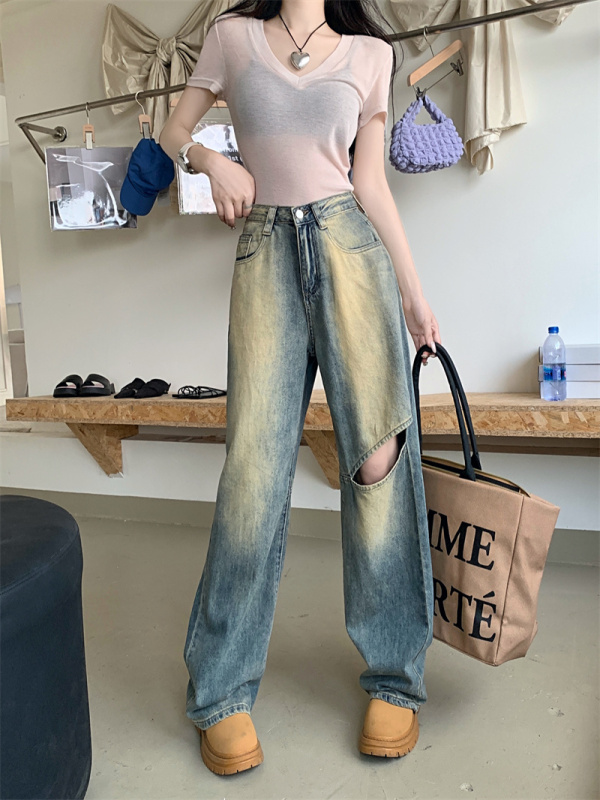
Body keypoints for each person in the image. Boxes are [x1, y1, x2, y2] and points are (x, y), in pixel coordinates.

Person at [159, 0, 442, 778]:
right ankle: (221, 690)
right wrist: (212, 161)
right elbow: (173, 131)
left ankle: (394, 675)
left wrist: (415, 296)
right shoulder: (232, 37)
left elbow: (371, 183)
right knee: (253, 472)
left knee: (379, 461)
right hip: (267, 254)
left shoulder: (371, 54)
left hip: (351, 248)